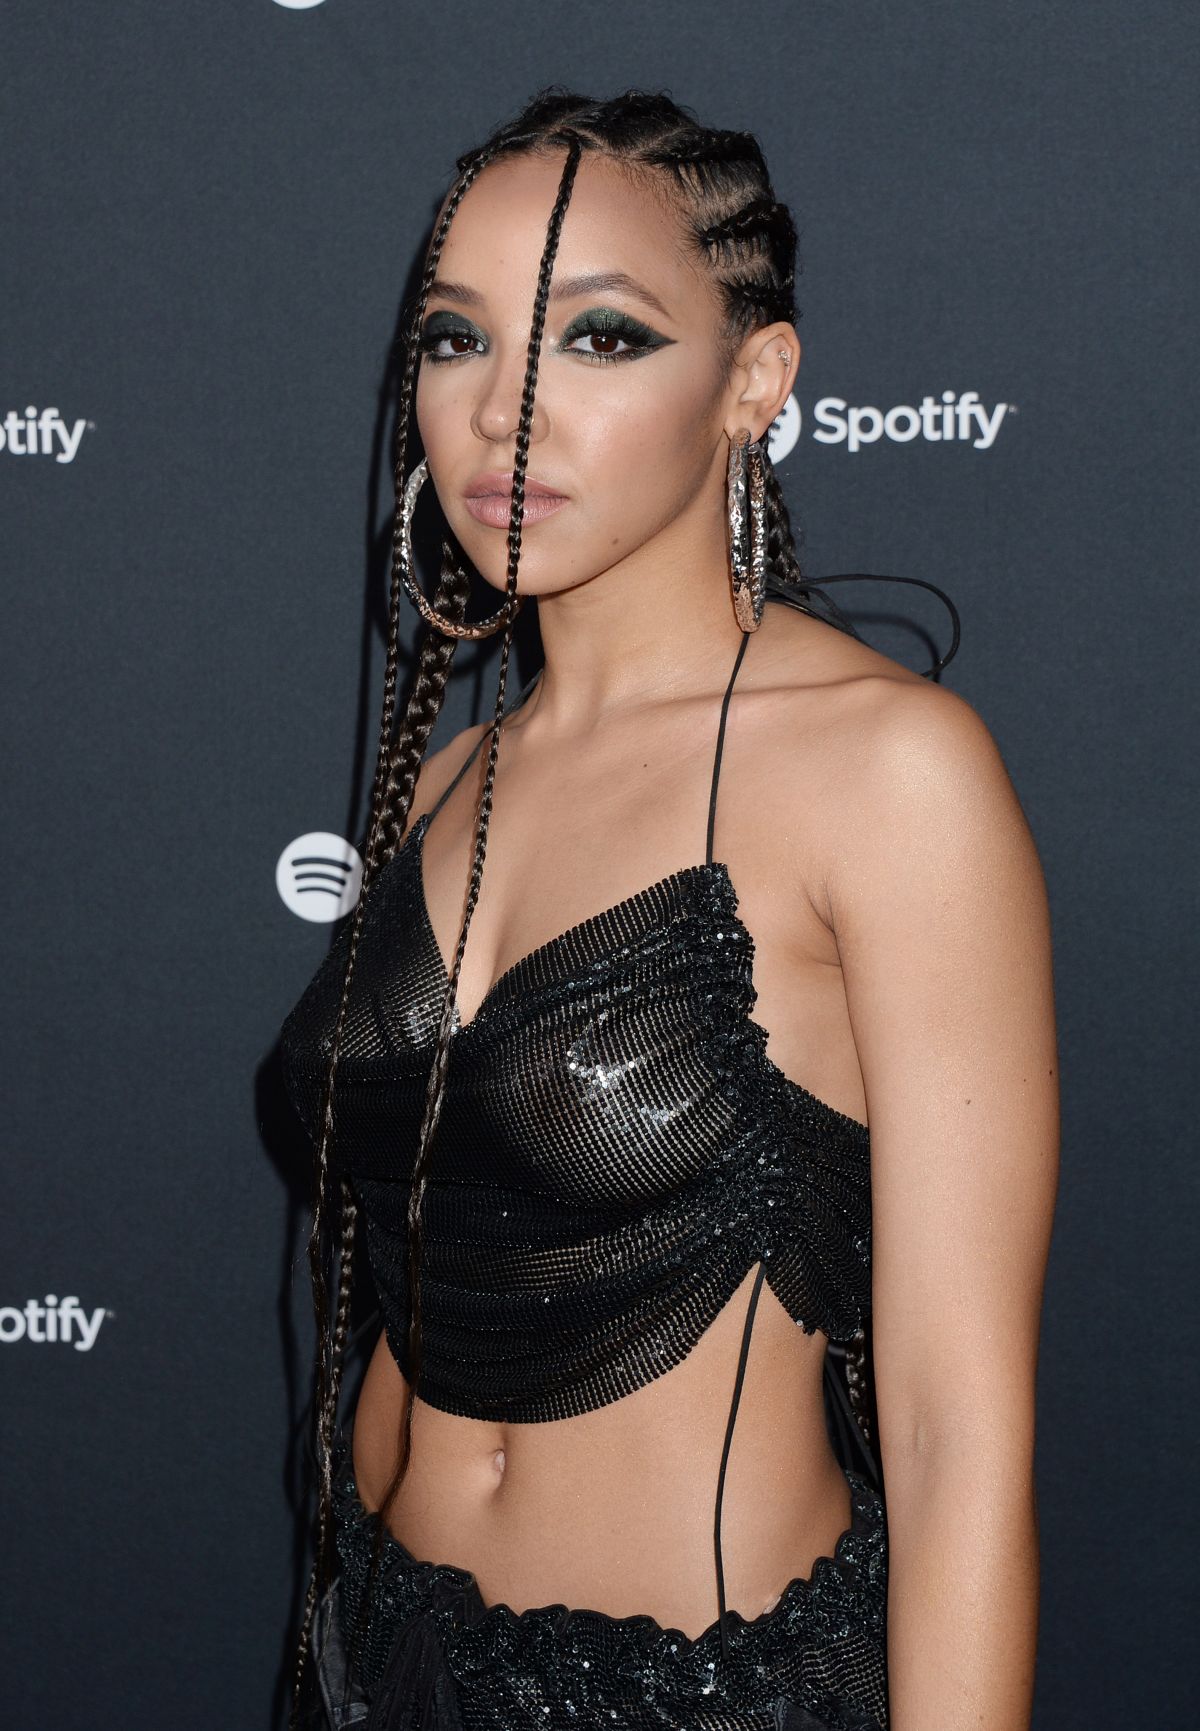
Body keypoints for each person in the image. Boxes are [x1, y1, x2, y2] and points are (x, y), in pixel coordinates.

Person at [278, 87, 1059, 1731]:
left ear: (754, 382)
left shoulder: (888, 772)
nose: (504, 413)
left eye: (601, 338)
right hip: (384, 1653)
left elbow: (955, 1432)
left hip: (707, 1691)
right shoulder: (445, 780)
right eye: (457, 338)